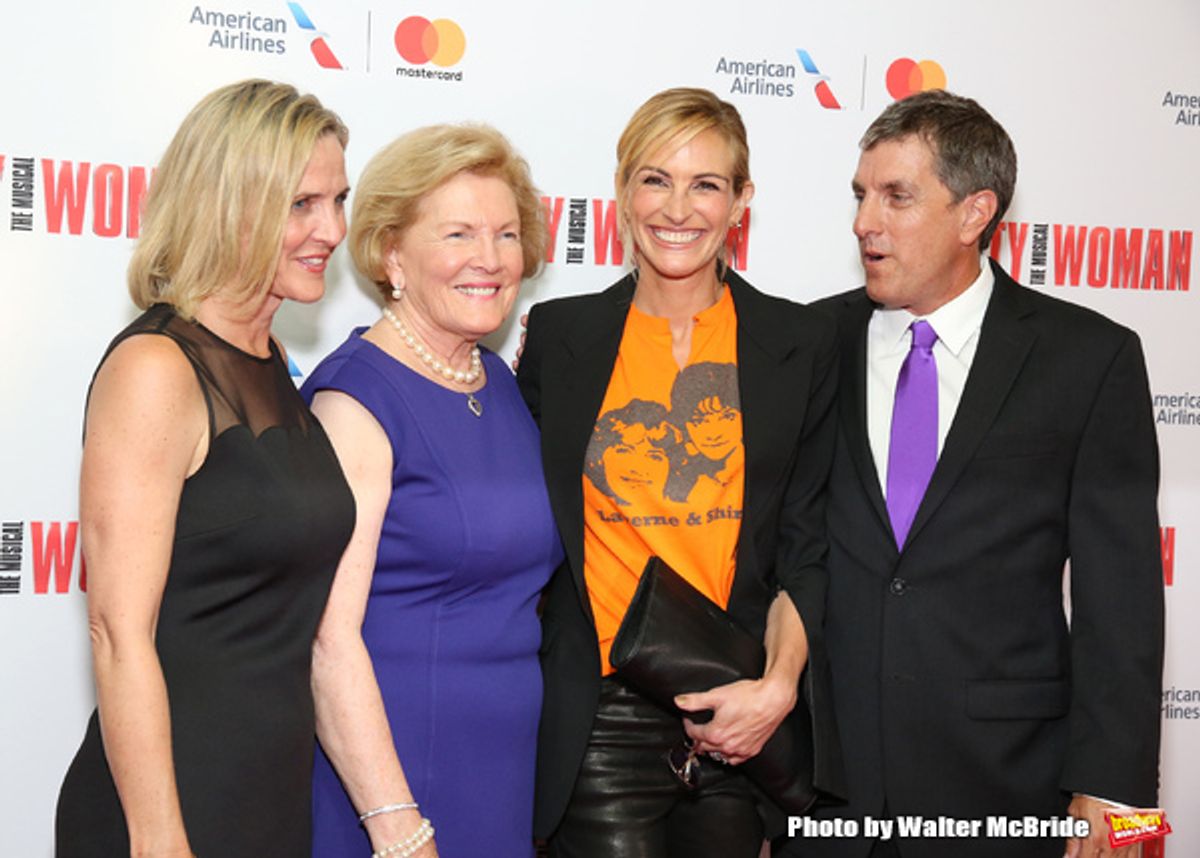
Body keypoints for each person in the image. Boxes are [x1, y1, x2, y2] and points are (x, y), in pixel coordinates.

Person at [787, 90, 1163, 858]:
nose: (865, 222)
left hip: (1005, 789)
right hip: (826, 791)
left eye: (897, 196)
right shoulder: (808, 342)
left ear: (974, 213)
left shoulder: (1088, 360)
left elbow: (1119, 599)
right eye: (861, 196)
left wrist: (1115, 791)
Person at [517, 87, 844, 857]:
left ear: (742, 202)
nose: (678, 207)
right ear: (624, 192)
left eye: (707, 184)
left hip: (739, 712)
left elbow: (807, 545)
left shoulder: (798, 342)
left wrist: (775, 690)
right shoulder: (562, 335)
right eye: (656, 179)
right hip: (601, 708)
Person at [55, 79, 354, 857]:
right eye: (302, 205)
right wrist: (160, 842)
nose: (332, 229)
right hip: (169, 808)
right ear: (231, 205)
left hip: (269, 796)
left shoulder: (270, 358)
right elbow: (119, 632)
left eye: (337, 200)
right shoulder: (157, 367)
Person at [302, 124, 563, 858]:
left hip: (500, 778)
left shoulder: (499, 384)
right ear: (393, 256)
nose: (489, 259)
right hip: (393, 787)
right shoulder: (355, 401)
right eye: (458, 234)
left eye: (506, 235)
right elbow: (328, 638)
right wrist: (396, 825)